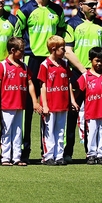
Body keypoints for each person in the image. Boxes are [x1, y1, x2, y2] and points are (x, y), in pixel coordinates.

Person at [17, 0, 66, 164]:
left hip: (52, 63)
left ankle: (49, 152)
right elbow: (17, 37)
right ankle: (24, 150)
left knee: (50, 107)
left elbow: (62, 34)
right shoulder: (25, 10)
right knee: (28, 107)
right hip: (32, 61)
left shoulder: (58, 11)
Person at [63, 0, 102, 163]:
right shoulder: (72, 24)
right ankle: (68, 152)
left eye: (95, 4)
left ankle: (92, 152)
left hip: (96, 75)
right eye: (90, 4)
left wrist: (97, 70)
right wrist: (83, 71)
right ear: (81, 6)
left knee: (93, 115)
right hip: (77, 73)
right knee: (72, 114)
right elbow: (67, 50)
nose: (94, 7)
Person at [36, 35, 78, 166]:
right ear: (54, 49)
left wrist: (72, 100)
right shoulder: (45, 65)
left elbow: (68, 83)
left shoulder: (64, 64)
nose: (64, 51)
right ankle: (48, 156)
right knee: (49, 131)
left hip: (63, 104)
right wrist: (45, 105)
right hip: (50, 104)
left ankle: (59, 155)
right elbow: (43, 86)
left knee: (60, 131)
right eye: (62, 48)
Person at [0, 37, 34, 166]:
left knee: (18, 132)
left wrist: (35, 101)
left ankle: (16, 157)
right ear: (12, 50)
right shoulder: (3, 65)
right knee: (6, 131)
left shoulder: (24, 67)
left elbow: (30, 84)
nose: (23, 53)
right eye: (21, 50)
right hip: (7, 105)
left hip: (20, 105)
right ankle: (5, 157)